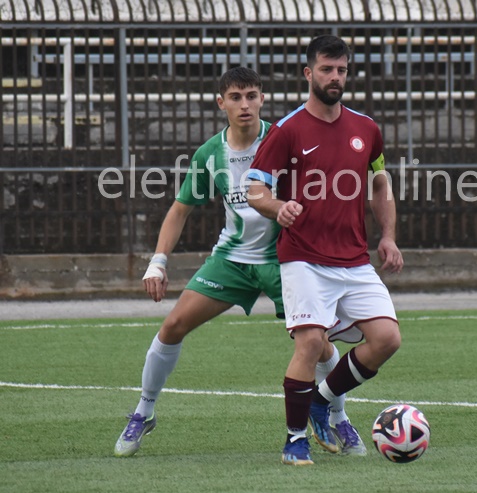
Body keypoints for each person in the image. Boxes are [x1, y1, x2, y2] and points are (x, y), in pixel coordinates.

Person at [113, 66, 359, 458]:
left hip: (287, 261)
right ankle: (144, 412)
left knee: (318, 343)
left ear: (262, 99)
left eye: (251, 96)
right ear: (221, 103)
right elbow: (179, 210)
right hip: (232, 260)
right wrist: (157, 262)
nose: (244, 105)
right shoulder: (210, 154)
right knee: (173, 326)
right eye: (235, 97)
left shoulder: (286, 138)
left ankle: (337, 416)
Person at [248, 35, 403, 466]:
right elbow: (255, 188)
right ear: (308, 73)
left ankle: (322, 399)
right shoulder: (287, 130)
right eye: (326, 69)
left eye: (341, 70)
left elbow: (379, 183)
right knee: (312, 341)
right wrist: (278, 207)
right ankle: (294, 441)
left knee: (387, 339)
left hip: (353, 258)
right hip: (303, 257)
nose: (335, 77)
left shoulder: (366, 129)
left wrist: (388, 236)